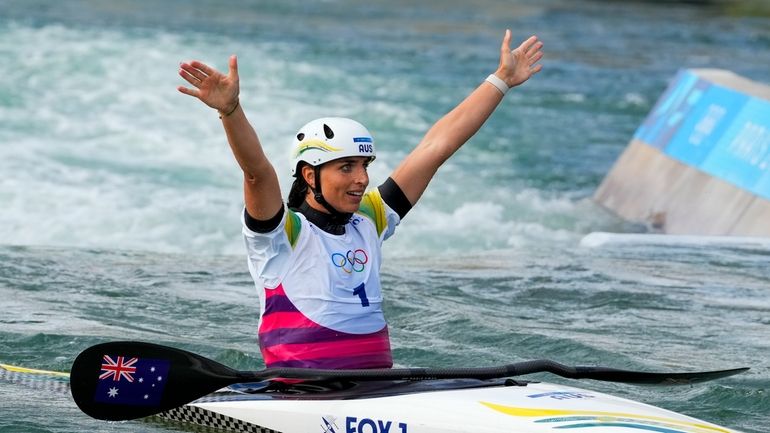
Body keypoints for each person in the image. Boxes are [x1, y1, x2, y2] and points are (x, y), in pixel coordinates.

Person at [178, 30, 543, 370]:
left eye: (365, 166)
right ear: (310, 175)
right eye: (347, 167)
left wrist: (500, 81)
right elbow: (257, 172)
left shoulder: (371, 219)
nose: (362, 179)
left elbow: (436, 147)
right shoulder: (281, 235)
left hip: (378, 385)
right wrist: (230, 110)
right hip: (301, 393)